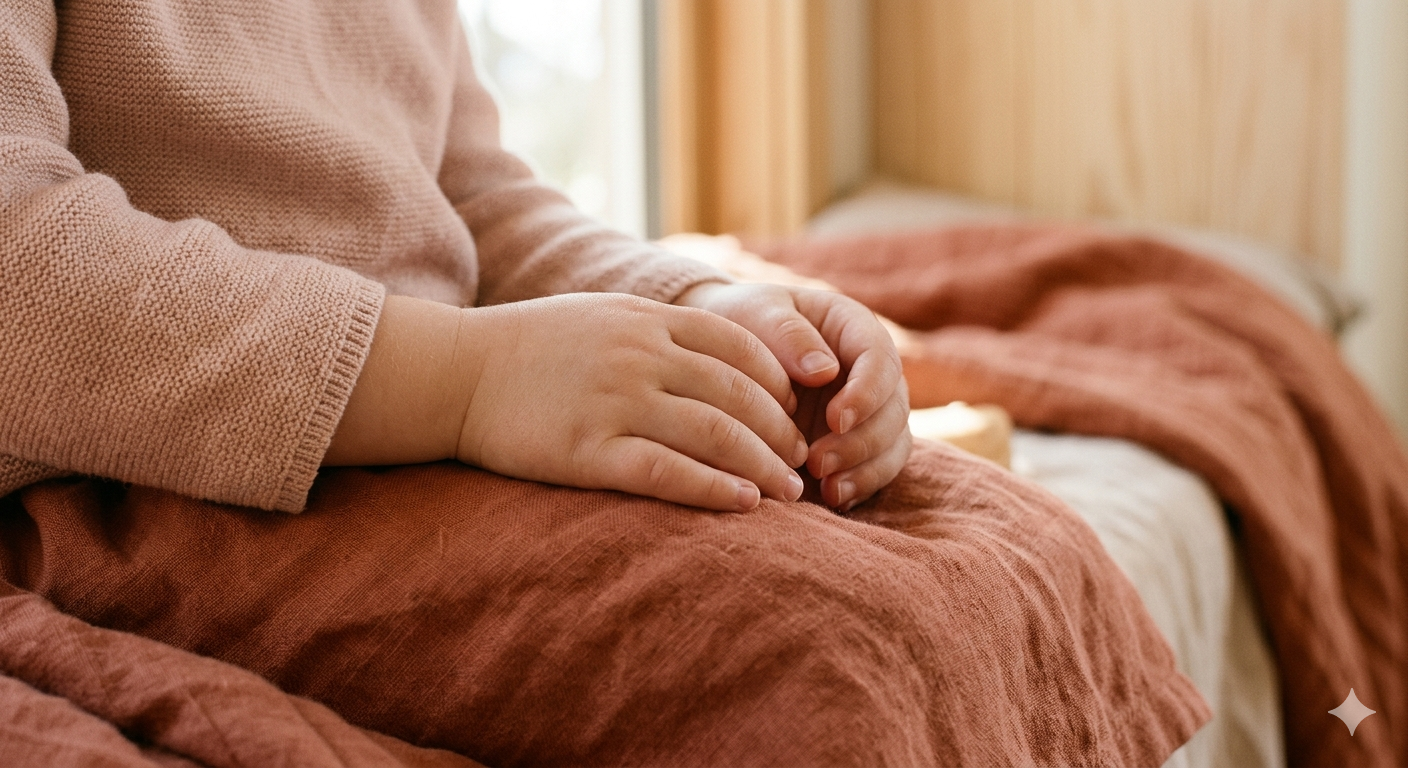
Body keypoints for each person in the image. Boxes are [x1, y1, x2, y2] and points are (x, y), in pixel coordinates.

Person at [0, 1, 908, 517]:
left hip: (431, 460)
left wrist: (711, 305)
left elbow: (477, 208)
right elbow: (18, 267)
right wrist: (476, 379)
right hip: (142, 495)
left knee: (990, 551)